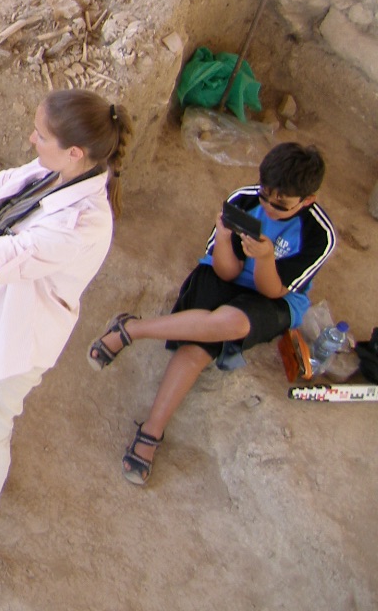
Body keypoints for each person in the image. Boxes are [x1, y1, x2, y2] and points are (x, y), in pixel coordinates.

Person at [0, 90, 128, 538]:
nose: (32, 138)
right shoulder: (57, 170)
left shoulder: (80, 225)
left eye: (41, 134)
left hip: (13, 342)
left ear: (73, 151)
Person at [87, 141, 335, 486]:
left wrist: (264, 257)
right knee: (196, 349)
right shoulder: (244, 200)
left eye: (281, 206)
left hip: (273, 295)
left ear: (307, 200)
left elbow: (273, 290)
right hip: (225, 274)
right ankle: (151, 431)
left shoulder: (318, 234)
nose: (268, 207)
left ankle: (134, 329)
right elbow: (225, 272)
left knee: (230, 323)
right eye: (265, 196)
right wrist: (223, 234)